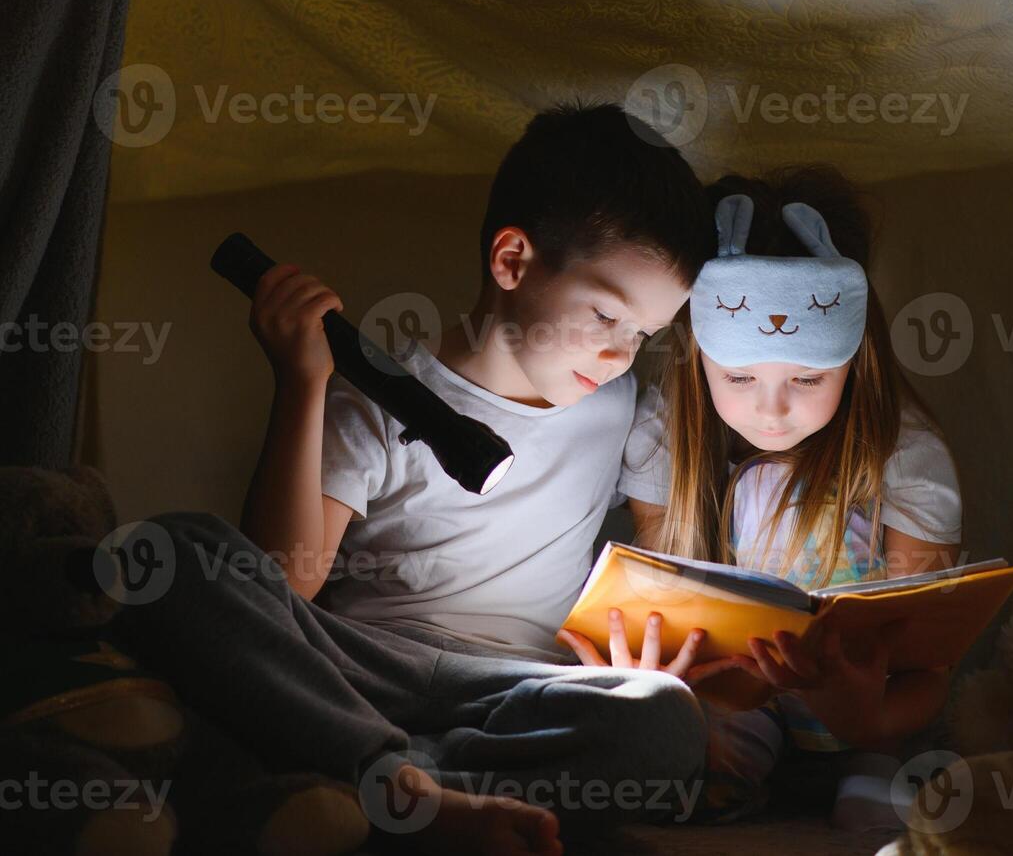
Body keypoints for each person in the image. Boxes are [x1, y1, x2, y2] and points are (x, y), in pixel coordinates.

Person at [108, 104, 731, 855]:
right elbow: (281, 584)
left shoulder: (623, 406)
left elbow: (667, 562)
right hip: (358, 671)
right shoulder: (375, 396)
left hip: (513, 692)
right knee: (172, 554)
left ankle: (386, 790)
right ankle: (391, 783)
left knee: (662, 717)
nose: (620, 355)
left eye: (643, 335)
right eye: (605, 315)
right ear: (511, 261)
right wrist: (301, 384)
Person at [562, 166, 965, 826]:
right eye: (740, 376)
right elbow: (662, 592)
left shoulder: (907, 455)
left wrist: (868, 717)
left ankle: (860, 769)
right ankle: (732, 770)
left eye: (807, 378)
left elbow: (929, 660)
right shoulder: (669, 432)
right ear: (698, 355)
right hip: (731, 694)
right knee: (666, 773)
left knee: (872, 803)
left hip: (867, 711)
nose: (771, 410)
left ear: (855, 357)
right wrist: (661, 673)